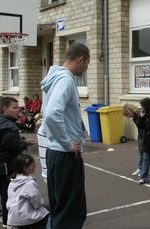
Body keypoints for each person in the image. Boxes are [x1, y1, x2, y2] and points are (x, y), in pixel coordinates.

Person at [40, 42, 90, 229]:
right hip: (65, 155)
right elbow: (52, 113)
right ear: (81, 59)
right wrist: (67, 143)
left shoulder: (52, 78)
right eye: (87, 63)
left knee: (59, 209)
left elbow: (46, 112)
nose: (87, 67)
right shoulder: (66, 80)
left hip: (55, 154)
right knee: (70, 214)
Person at [0, 96, 37, 227]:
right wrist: (25, 143)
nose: (18, 110)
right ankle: (7, 221)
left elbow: (7, 141)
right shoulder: (8, 126)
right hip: (6, 166)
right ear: (5, 109)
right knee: (8, 194)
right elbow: (14, 146)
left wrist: (21, 140)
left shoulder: (4, 123)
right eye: (14, 108)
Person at [6, 153, 49, 229]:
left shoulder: (12, 182)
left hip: (15, 217)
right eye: (32, 165)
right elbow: (37, 202)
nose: (34, 167)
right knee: (47, 212)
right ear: (25, 168)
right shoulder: (29, 183)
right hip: (27, 216)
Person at [122, 104, 144, 176]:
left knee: (144, 153)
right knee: (140, 152)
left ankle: (144, 169)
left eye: (127, 114)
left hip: (145, 135)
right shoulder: (134, 116)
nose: (127, 116)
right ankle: (140, 168)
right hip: (141, 134)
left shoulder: (139, 114)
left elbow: (142, 124)